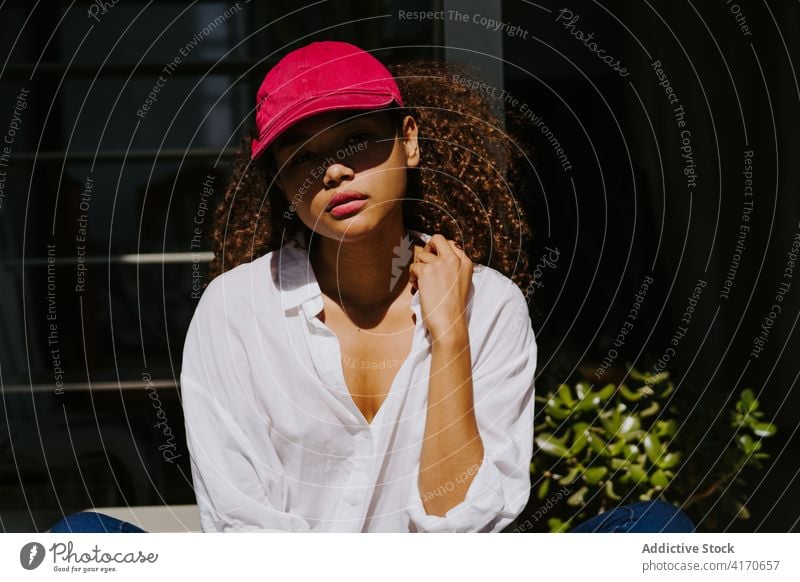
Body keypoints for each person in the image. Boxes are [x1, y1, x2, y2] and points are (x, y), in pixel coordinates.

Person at [48, 41, 693, 534]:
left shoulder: (488, 304)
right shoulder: (237, 309)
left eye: (356, 140)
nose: (331, 169)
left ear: (407, 140)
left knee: (655, 531)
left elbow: (462, 531)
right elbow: (243, 528)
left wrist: (449, 335)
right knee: (79, 543)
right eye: (301, 156)